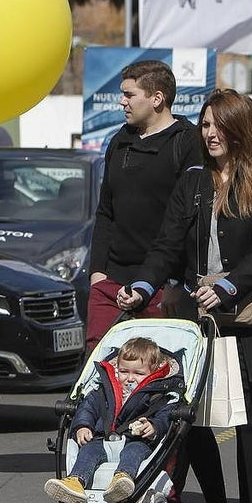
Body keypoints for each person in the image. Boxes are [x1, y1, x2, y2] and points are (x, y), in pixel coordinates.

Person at [117, 89, 252, 503]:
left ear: (241, 129)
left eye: (218, 125)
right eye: (204, 124)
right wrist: (143, 286)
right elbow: (166, 246)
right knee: (193, 417)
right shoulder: (192, 181)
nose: (209, 133)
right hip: (196, 319)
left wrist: (227, 285)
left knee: (250, 419)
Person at [87, 60, 201, 351]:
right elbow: (105, 212)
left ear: (157, 98)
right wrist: (98, 273)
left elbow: (193, 221)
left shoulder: (187, 143)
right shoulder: (119, 141)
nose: (121, 101)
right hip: (111, 283)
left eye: (129, 94)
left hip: (163, 287)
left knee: (154, 377)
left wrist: (177, 282)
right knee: (98, 372)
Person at [44, 336, 182, 503]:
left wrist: (153, 427)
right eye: (124, 372)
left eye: (138, 373)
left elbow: (164, 417)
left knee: (133, 453)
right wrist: (82, 426)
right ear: (117, 368)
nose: (130, 378)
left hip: (137, 440)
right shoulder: (104, 388)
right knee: (88, 451)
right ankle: (75, 481)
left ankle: (122, 480)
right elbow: (88, 407)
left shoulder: (159, 395)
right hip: (104, 439)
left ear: (154, 372)